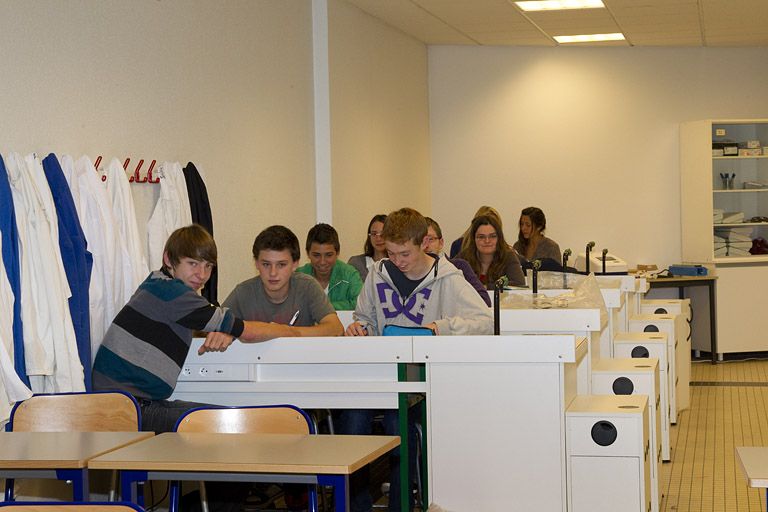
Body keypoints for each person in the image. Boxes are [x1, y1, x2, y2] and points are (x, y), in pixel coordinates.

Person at [345, 207, 493, 512]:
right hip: (381, 372)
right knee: (352, 418)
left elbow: (485, 320)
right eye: (391, 253)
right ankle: (357, 505)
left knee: (401, 425)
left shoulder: (448, 278)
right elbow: (365, 317)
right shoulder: (377, 274)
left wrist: (443, 327)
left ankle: (402, 503)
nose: (397, 261)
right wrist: (360, 328)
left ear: (423, 244)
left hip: (421, 379)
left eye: (405, 254)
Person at [92, 224, 293, 434]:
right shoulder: (174, 293)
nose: (202, 274)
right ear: (169, 259)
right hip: (125, 410)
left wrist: (226, 332)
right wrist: (291, 332)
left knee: (224, 418)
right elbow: (245, 330)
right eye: (193, 264)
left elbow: (218, 325)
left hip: (126, 404)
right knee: (232, 423)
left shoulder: (156, 283)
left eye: (208, 266)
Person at [223, 225, 343, 336]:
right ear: (256, 263)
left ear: (295, 264)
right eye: (266, 264)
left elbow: (336, 328)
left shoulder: (308, 286)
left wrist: (286, 332)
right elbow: (212, 329)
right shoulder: (243, 292)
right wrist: (228, 335)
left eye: (281, 265)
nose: (273, 273)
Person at [424, 216, 491, 306]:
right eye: (420, 241)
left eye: (430, 239)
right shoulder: (407, 272)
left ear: (441, 243)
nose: (426, 245)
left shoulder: (459, 266)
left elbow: (484, 301)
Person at [296, 223, 363, 310]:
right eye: (316, 255)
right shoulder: (299, 276)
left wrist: (322, 306)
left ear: (337, 253)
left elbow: (361, 304)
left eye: (328, 255)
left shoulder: (350, 275)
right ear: (308, 253)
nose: (322, 262)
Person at [457, 214, 526, 288]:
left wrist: (487, 287)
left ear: (499, 238)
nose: (487, 241)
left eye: (492, 236)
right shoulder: (464, 257)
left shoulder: (508, 256)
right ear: (474, 239)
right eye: (481, 237)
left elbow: (519, 284)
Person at [347, 214, 387, 282]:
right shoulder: (355, 263)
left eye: (382, 234)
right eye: (374, 234)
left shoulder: (398, 264)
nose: (378, 238)